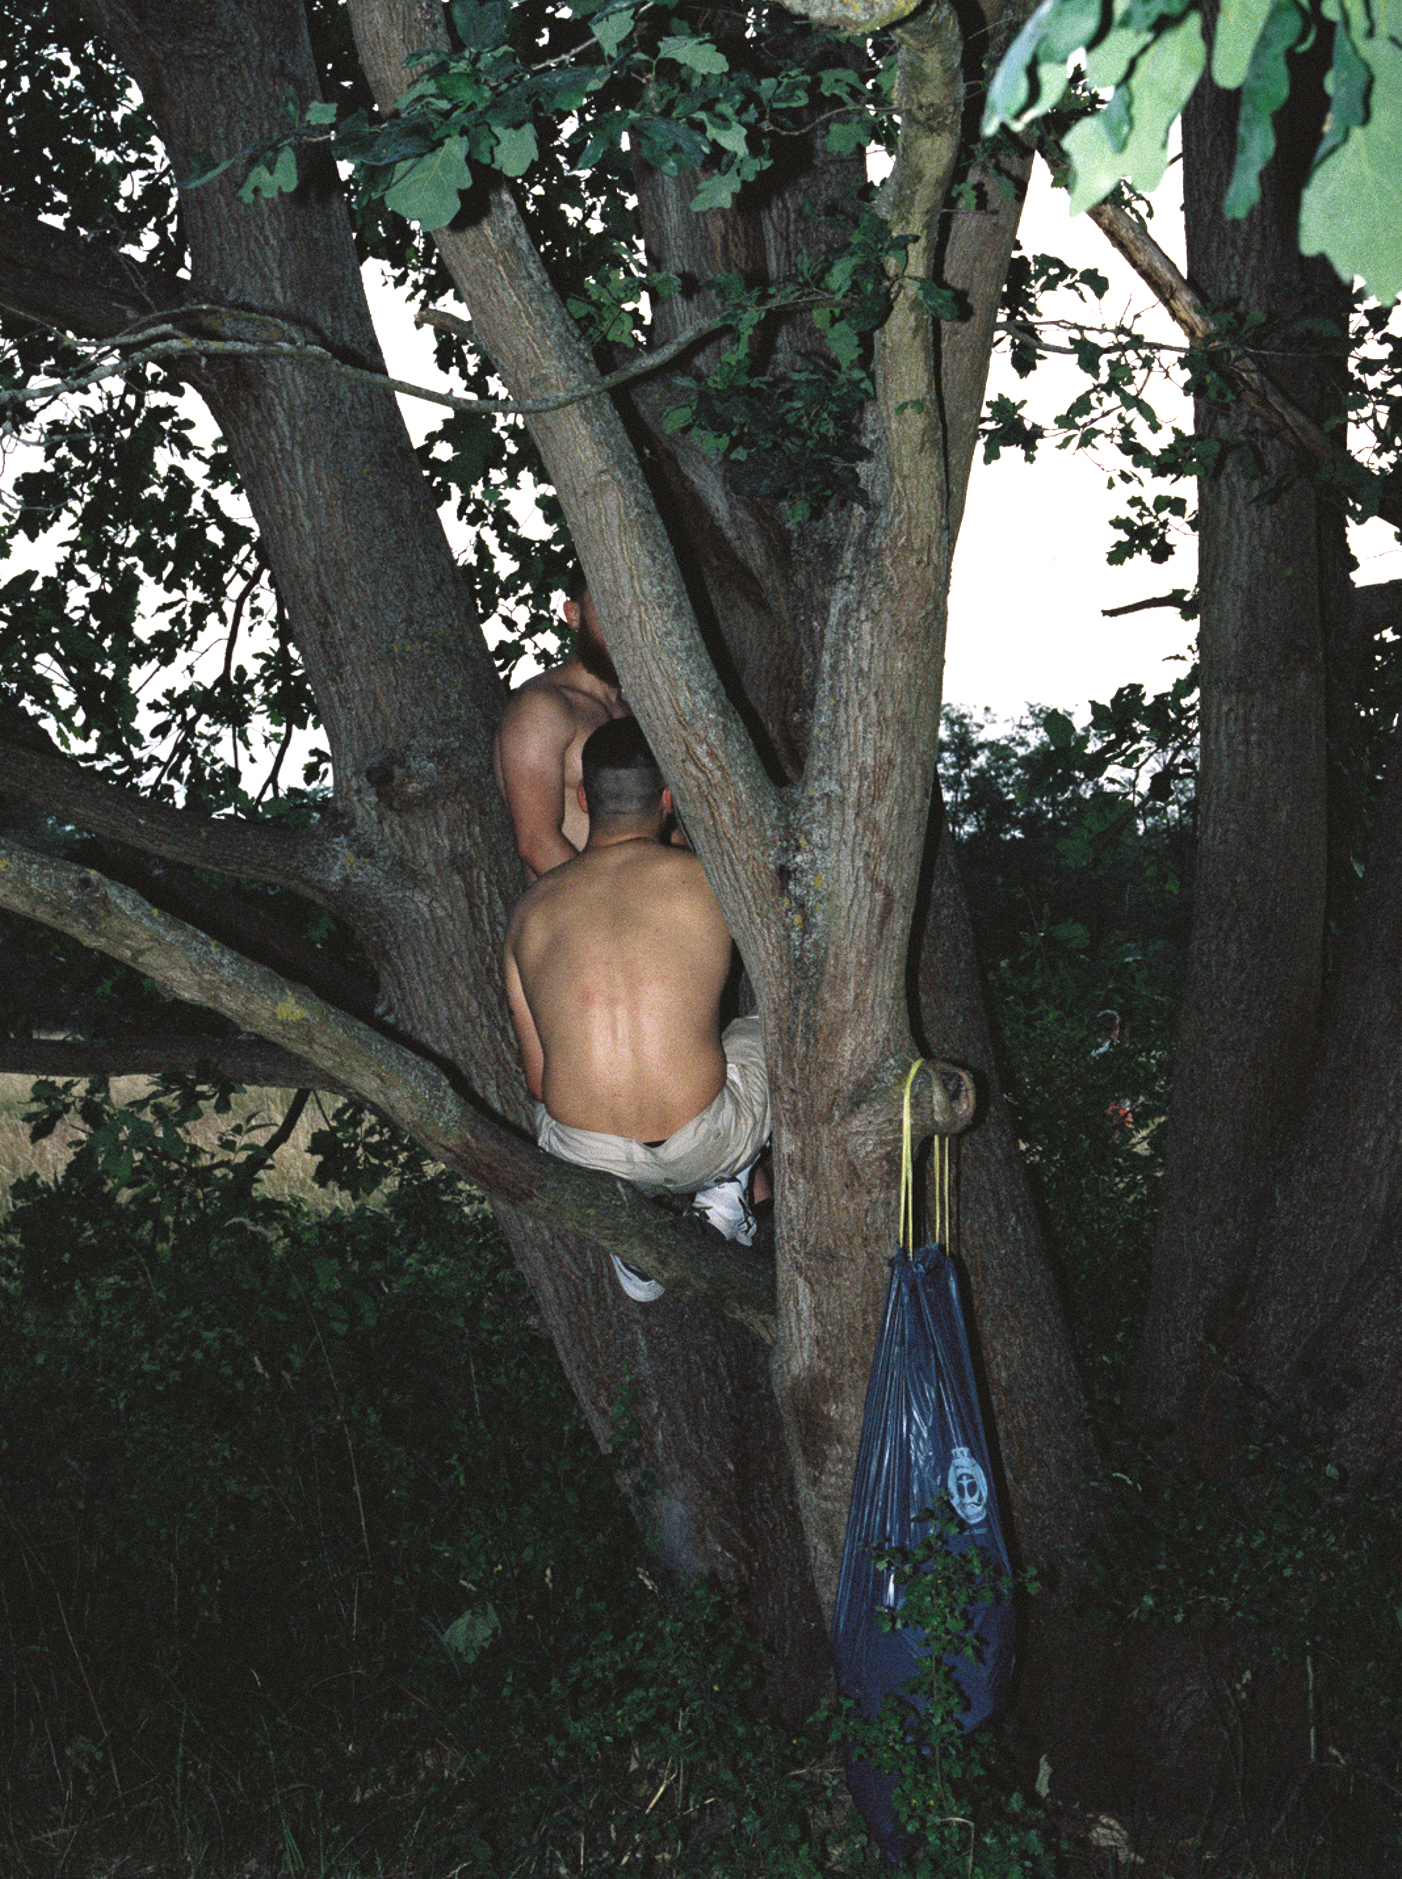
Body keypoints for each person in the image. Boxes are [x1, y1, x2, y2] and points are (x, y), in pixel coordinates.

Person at [503, 719, 770, 1299]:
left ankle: (634, 1241)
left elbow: (537, 1079)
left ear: (582, 798)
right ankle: (728, 1187)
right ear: (669, 799)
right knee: (778, 1025)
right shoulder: (713, 883)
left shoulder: (529, 913)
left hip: (588, 1162)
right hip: (705, 1138)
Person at [492, 572, 629, 880]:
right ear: (573, 614)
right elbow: (537, 843)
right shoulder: (542, 706)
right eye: (606, 606)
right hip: (585, 919)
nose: (621, 623)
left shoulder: (636, 713)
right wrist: (620, 917)